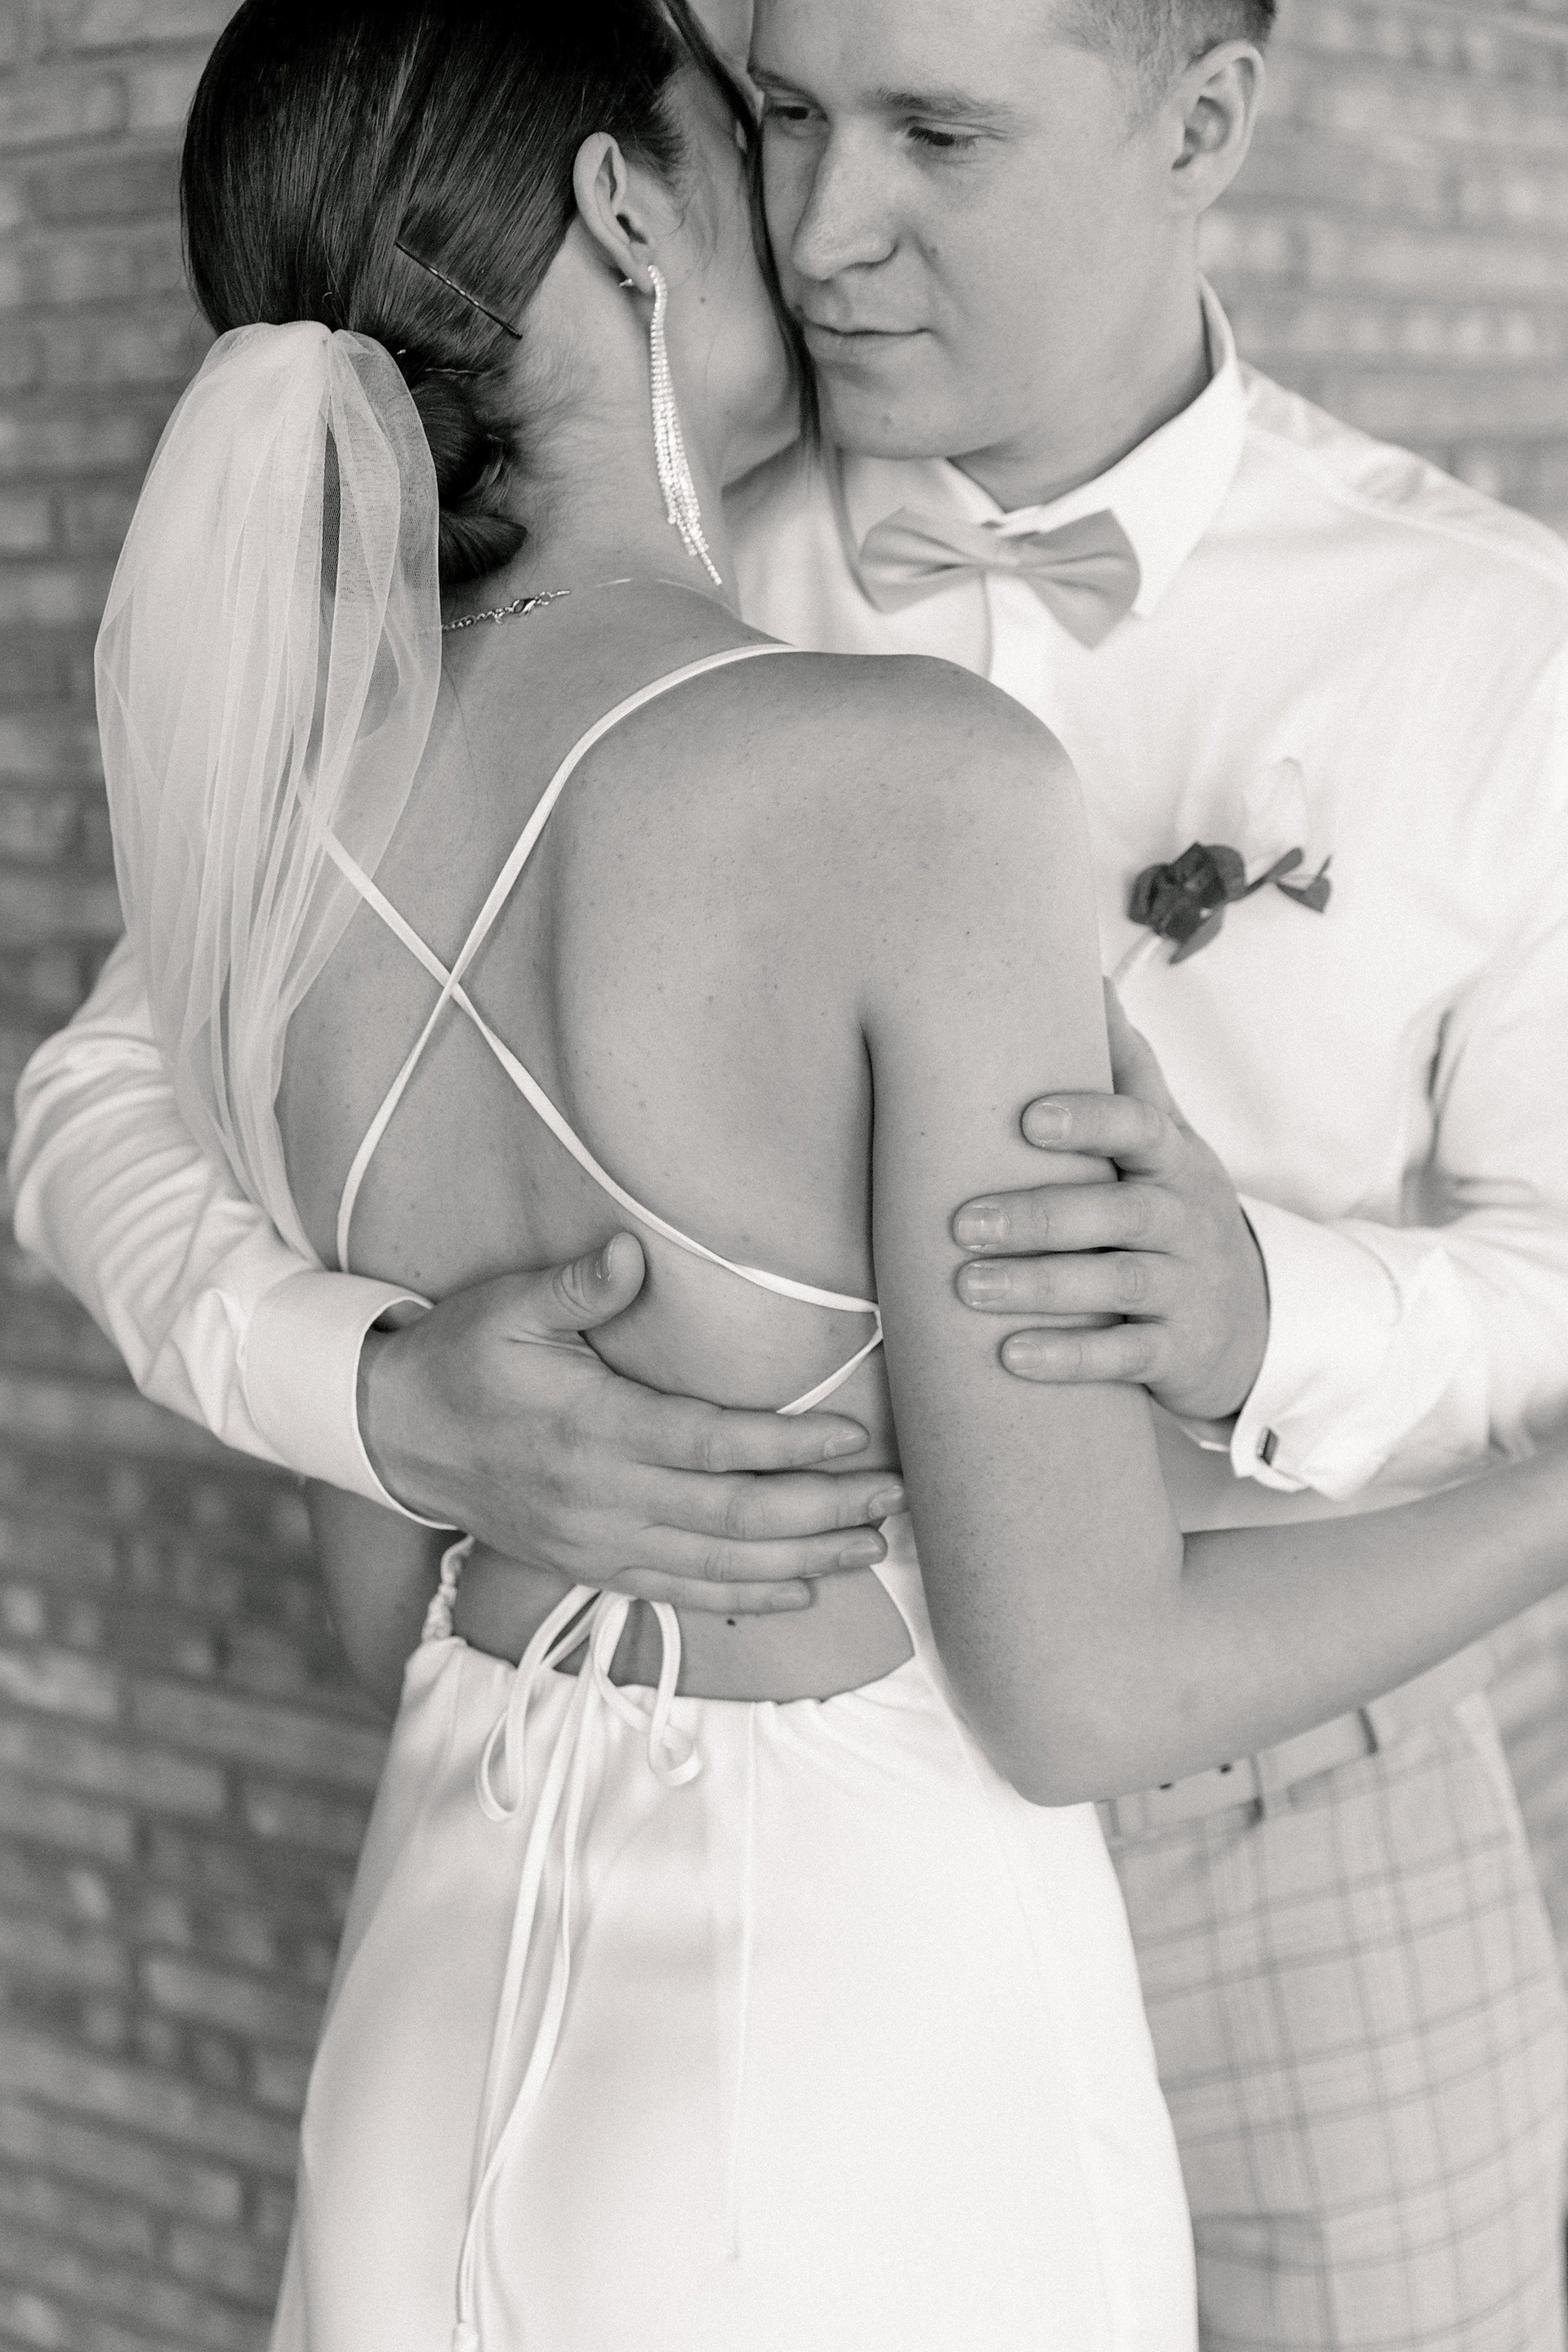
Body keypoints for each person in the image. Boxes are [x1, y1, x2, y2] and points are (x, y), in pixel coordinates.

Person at [12, 0, 1568, 2345]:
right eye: (786, 122)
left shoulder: (1487, 640)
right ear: (633, 207)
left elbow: (371, 1599)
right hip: (893, 1920)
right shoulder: (832, 714)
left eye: (935, 130)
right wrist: (375, 1391)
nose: (830, 226)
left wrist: (1277, 1314)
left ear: (1200, 125)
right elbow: (90, 1099)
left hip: (1169, 1851)